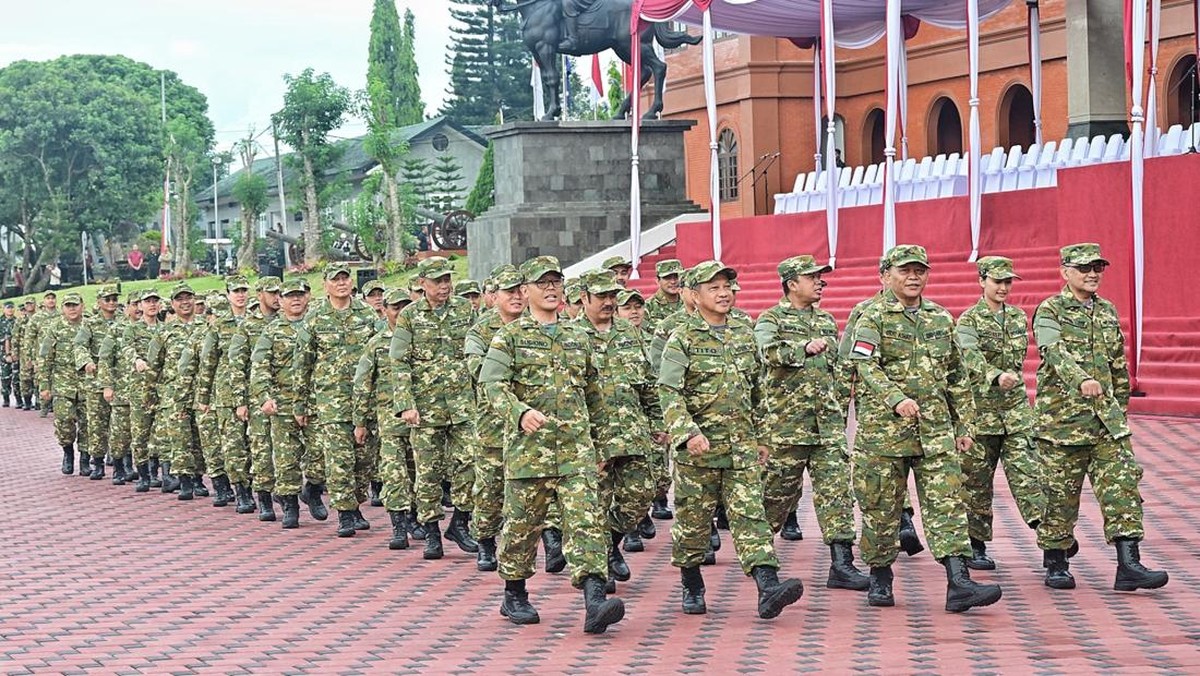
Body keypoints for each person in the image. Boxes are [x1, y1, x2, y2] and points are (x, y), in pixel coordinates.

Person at [847, 244, 1001, 612]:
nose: (914, 277)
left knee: (948, 504)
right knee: (881, 509)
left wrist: (965, 424)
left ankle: (959, 582)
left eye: (920, 271)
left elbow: (956, 375)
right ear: (885, 276)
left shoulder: (940, 318)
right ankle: (880, 577)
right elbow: (865, 366)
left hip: (935, 433)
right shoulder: (872, 317)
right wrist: (895, 399)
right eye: (905, 271)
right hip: (885, 434)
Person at [479, 255, 625, 634]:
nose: (550, 289)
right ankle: (514, 592)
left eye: (555, 282)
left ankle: (595, 598)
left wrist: (603, 446)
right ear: (524, 291)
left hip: (576, 451)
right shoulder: (508, 338)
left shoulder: (578, 336)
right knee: (522, 528)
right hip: (530, 453)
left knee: (587, 522)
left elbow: (595, 395)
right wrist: (518, 411)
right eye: (541, 283)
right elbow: (491, 385)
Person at [657, 260, 805, 619]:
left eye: (727, 286)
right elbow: (669, 391)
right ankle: (691, 582)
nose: (724, 293)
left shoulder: (742, 331)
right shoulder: (683, 338)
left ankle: (768, 585)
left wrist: (763, 434)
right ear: (693, 295)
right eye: (714, 287)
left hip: (740, 448)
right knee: (694, 523)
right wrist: (686, 432)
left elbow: (756, 388)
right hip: (699, 452)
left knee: (750, 515)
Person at [1033, 243, 1168, 592]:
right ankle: (1057, 562)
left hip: (1107, 424)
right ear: (1065, 272)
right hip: (1062, 424)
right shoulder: (1050, 311)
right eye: (1084, 268)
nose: (1093, 274)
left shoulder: (1106, 311)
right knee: (1059, 496)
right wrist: (1082, 381)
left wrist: (1119, 408)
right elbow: (1054, 352)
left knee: (1122, 489)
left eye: (1098, 268)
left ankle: (1129, 564)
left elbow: (1117, 366)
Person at [755, 255, 869, 591]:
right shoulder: (770, 320)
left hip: (827, 428)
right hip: (786, 429)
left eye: (821, 277)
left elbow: (835, 369)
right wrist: (801, 348)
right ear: (792, 283)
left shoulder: (826, 321)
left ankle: (842, 563)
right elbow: (766, 351)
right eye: (812, 277)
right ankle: (761, 562)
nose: (820, 282)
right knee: (774, 498)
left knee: (837, 493)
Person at [954, 256, 1046, 570]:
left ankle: (1047, 533)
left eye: (1008, 282)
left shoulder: (1019, 318)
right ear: (982, 282)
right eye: (997, 281)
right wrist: (994, 375)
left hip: (1016, 412)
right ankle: (976, 545)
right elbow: (968, 355)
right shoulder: (969, 320)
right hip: (980, 414)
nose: (1004, 287)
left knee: (1028, 473)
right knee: (977, 482)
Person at [390, 256, 480, 558]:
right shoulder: (409, 316)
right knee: (428, 472)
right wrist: (406, 404)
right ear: (422, 284)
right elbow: (399, 361)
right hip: (426, 408)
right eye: (437, 281)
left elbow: (475, 350)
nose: (444, 286)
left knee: (471, 463)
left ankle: (460, 521)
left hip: (463, 404)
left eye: (447, 280)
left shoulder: (465, 310)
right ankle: (431, 532)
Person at [574, 269, 661, 569]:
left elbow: (648, 381)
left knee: (641, 495)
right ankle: (599, 568)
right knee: (594, 505)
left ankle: (610, 542)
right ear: (584, 298)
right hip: (592, 439)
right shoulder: (571, 337)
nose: (609, 302)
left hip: (632, 433)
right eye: (602, 296)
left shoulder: (629, 333)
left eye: (613, 296)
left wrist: (658, 421)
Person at [295, 264, 380, 537]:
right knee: (339, 459)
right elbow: (303, 362)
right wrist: (300, 404)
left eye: (345, 278)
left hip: (365, 400)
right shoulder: (315, 317)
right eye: (336, 279)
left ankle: (354, 502)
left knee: (365, 459)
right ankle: (345, 513)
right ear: (326, 284)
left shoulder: (367, 314)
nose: (342, 283)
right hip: (331, 401)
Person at [252, 278, 318, 529]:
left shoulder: (317, 325)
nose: (296, 299)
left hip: (316, 402)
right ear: (281, 300)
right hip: (283, 403)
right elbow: (260, 367)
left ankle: (312, 488)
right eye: (290, 296)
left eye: (300, 294)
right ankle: (290, 504)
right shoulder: (272, 331)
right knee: (286, 458)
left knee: (320, 452)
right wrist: (264, 397)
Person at [354, 287, 413, 548]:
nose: (400, 312)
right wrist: (360, 421)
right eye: (395, 307)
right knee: (394, 474)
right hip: (388, 422)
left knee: (419, 475)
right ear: (384, 310)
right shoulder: (377, 343)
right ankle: (398, 526)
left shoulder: (420, 338)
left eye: (405, 306)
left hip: (419, 421)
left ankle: (417, 519)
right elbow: (363, 383)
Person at [195, 276, 254, 510]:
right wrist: (204, 397)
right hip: (227, 394)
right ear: (228, 295)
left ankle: (257, 487)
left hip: (254, 392)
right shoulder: (218, 326)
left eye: (243, 290)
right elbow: (208, 362)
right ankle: (241, 491)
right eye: (235, 291)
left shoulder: (257, 321)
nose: (240, 295)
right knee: (234, 446)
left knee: (255, 446)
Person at [229, 276, 283, 520]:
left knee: (286, 449)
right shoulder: (248, 326)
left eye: (279, 293)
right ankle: (263, 497)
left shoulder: (289, 322)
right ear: (260, 294)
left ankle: (287, 493)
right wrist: (239, 400)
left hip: (286, 394)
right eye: (272, 293)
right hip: (257, 395)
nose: (277, 298)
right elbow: (237, 365)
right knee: (261, 448)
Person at [74, 286, 122, 481]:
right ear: (99, 301)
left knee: (120, 425)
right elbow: (79, 345)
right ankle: (98, 462)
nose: (111, 302)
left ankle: (121, 464)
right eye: (107, 299)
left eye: (114, 299)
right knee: (96, 424)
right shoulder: (90, 324)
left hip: (120, 379)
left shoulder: (124, 322)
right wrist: (86, 361)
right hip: (96, 381)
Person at [40, 293, 86, 475]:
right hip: (62, 384)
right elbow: (45, 358)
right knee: (64, 421)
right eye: (68, 306)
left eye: (75, 305)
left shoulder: (89, 325)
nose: (72, 309)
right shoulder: (55, 328)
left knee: (89, 424)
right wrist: (44, 385)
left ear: (82, 305)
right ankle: (68, 453)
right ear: (62, 308)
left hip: (86, 383)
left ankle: (85, 458)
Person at [643, 259, 683, 336]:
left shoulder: (690, 303)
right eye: (667, 278)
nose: (673, 282)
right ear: (657, 280)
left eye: (676, 277)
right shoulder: (648, 306)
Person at [0, 301, 15, 408]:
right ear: (3, 309)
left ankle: (20, 400)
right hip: (2, 354)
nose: (10, 310)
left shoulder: (17, 321)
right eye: (8, 308)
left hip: (16, 353)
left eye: (11, 308)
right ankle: (6, 399)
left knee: (17, 377)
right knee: (5, 377)